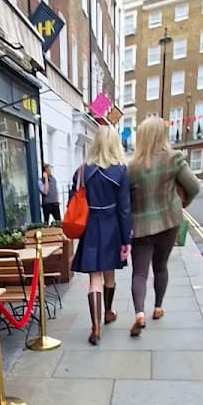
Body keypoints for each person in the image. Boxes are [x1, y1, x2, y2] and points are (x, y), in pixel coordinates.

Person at [126, 116, 200, 337]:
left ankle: (139, 313)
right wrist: (181, 203)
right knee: (161, 266)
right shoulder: (174, 159)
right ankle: (157, 307)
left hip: (140, 227)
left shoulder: (132, 167)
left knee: (139, 273)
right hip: (169, 222)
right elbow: (194, 186)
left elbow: (126, 200)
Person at [70, 128, 133, 345]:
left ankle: (95, 327)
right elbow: (125, 209)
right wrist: (127, 240)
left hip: (90, 227)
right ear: (115, 144)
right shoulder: (121, 171)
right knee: (109, 274)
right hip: (112, 227)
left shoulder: (81, 172)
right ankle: (108, 312)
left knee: (94, 278)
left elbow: (74, 200)